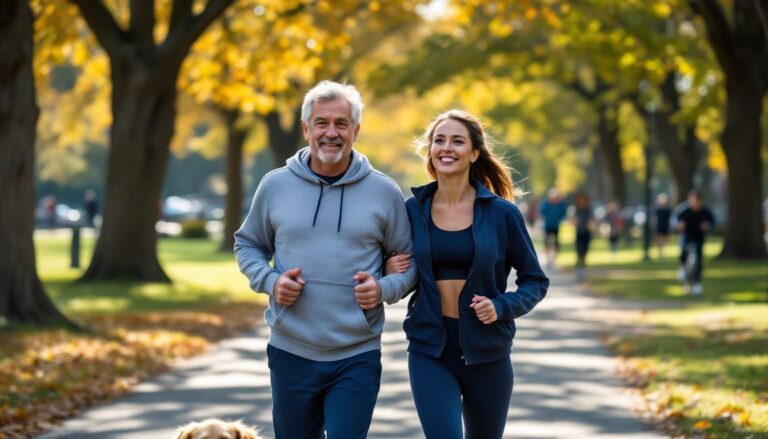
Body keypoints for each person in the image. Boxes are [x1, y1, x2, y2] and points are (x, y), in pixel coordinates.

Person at [234, 80, 417, 439]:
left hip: (356, 353)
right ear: (306, 129)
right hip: (291, 349)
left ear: (356, 131)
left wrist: (383, 288)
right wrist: (271, 281)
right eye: (321, 123)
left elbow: (408, 263)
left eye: (341, 123)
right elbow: (247, 245)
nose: (331, 133)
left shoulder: (384, 191)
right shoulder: (275, 185)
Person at [386, 110, 549, 439]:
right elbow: (393, 266)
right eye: (439, 140)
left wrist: (501, 306)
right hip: (430, 348)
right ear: (430, 150)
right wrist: (388, 269)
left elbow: (535, 280)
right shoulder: (410, 210)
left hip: (488, 351)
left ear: (474, 153)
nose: (447, 147)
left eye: (457, 141)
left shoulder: (502, 213)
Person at [676, 190, 714, 295]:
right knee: (683, 251)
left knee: (698, 259)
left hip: (698, 237)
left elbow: (712, 221)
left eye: (697, 201)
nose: (695, 203)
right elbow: (675, 220)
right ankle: (683, 268)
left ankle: (697, 283)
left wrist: (707, 225)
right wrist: (679, 225)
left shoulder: (705, 211)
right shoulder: (684, 210)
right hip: (686, 236)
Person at [539, 187, 567, 268]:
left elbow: (563, 212)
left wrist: (560, 218)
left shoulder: (560, 204)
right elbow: (542, 211)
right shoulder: (546, 204)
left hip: (556, 226)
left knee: (556, 243)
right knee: (547, 242)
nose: (553, 198)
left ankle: (554, 259)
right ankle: (548, 259)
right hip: (548, 225)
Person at [571, 192, 595, 282]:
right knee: (578, 252)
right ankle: (578, 271)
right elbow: (573, 220)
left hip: (586, 233)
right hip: (579, 233)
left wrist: (591, 224)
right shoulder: (577, 210)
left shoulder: (588, 209)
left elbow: (592, 220)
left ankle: (583, 269)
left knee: (585, 251)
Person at [653, 193, 672, 258]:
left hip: (665, 226)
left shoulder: (668, 210)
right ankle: (660, 252)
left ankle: (662, 252)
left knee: (664, 240)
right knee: (659, 240)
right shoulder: (658, 210)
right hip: (659, 226)